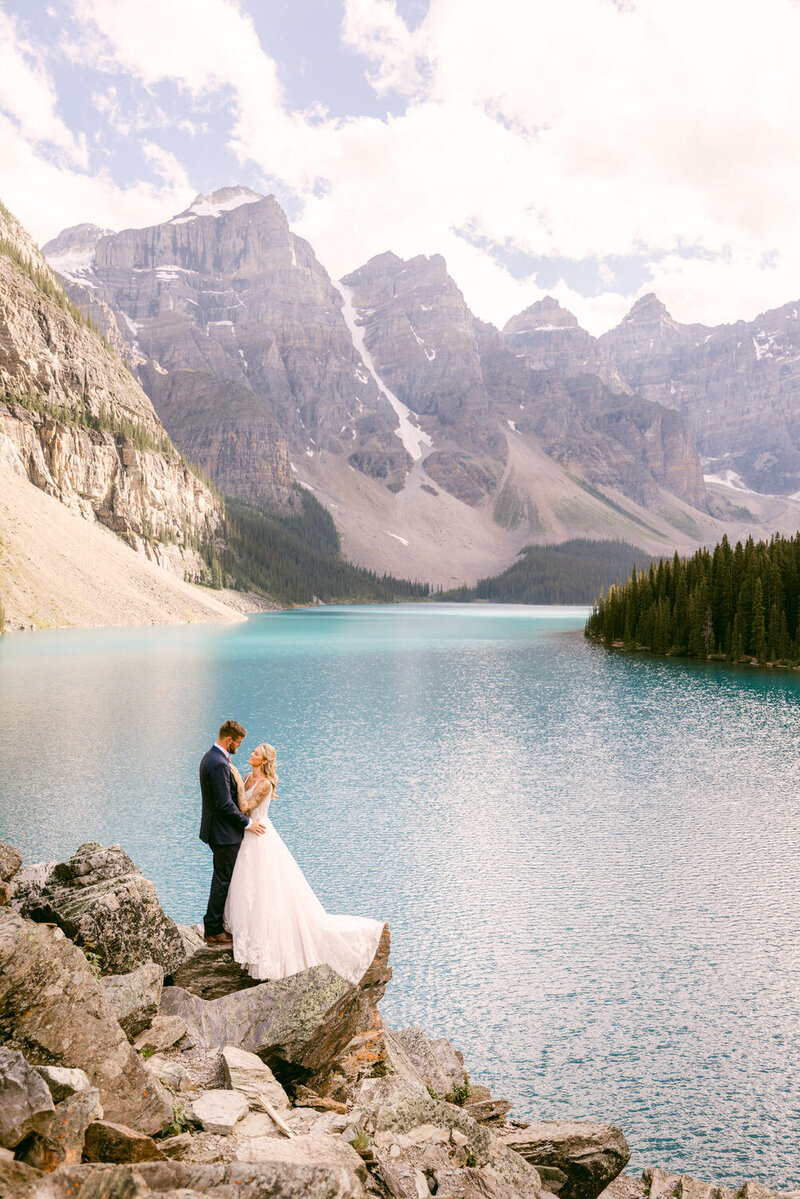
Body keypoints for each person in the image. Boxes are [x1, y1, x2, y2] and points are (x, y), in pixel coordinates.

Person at [224, 742, 385, 984]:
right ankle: (245, 930)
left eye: (256, 753)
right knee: (247, 885)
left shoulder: (264, 784)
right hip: (249, 835)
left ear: (264, 761)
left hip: (260, 835)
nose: (251, 754)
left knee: (265, 885)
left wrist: (235, 779)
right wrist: (240, 779)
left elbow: (245, 808)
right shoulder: (248, 776)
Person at [199, 719, 266, 945]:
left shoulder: (212, 757)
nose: (239, 747)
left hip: (219, 830)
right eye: (237, 742)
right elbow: (224, 804)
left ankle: (215, 924)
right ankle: (214, 929)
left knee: (221, 878)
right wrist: (247, 823)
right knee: (222, 880)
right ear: (228, 740)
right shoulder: (218, 763)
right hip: (223, 833)